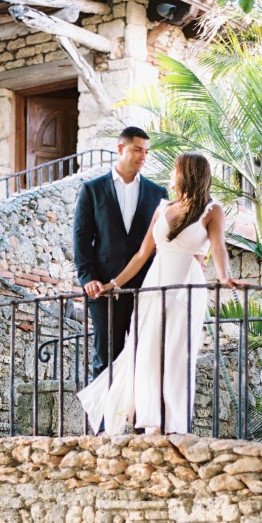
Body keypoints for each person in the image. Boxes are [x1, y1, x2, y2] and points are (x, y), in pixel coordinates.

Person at [77, 152, 242, 436]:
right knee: (147, 352)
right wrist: (114, 283)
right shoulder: (163, 206)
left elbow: (219, 248)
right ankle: (150, 419)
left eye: (175, 170)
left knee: (177, 354)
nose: (171, 176)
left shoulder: (212, 210)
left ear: (188, 173)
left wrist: (224, 276)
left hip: (186, 287)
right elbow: (143, 254)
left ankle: (174, 424)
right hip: (154, 287)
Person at [73, 126, 168, 379]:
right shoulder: (92, 190)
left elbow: (162, 242)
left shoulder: (157, 193)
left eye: (146, 152)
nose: (143, 157)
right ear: (120, 149)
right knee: (106, 360)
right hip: (104, 289)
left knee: (145, 359)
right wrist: (88, 278)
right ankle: (104, 419)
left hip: (146, 288)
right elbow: (82, 238)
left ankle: (138, 419)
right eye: (137, 149)